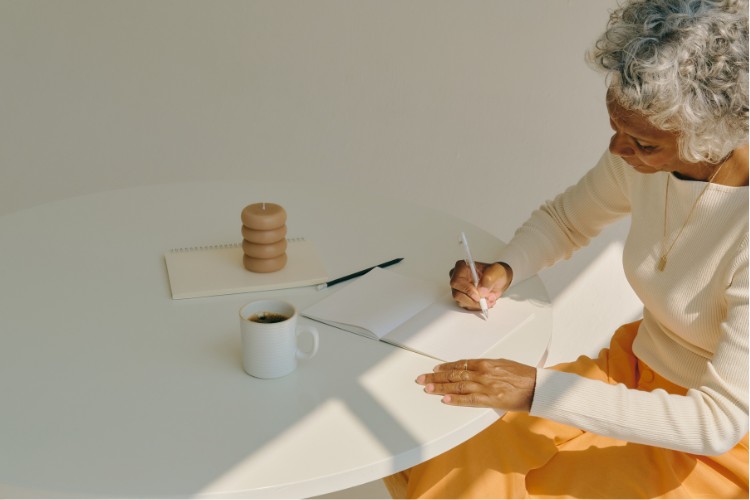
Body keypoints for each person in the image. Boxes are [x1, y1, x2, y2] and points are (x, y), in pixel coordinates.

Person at [384, 0, 748, 497]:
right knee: (446, 446)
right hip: (633, 371)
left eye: (642, 143)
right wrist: (506, 268)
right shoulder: (642, 156)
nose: (620, 151)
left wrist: (537, 390)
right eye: (615, 129)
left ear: (712, 136)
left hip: (714, 445)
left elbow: (717, 422)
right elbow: (567, 219)